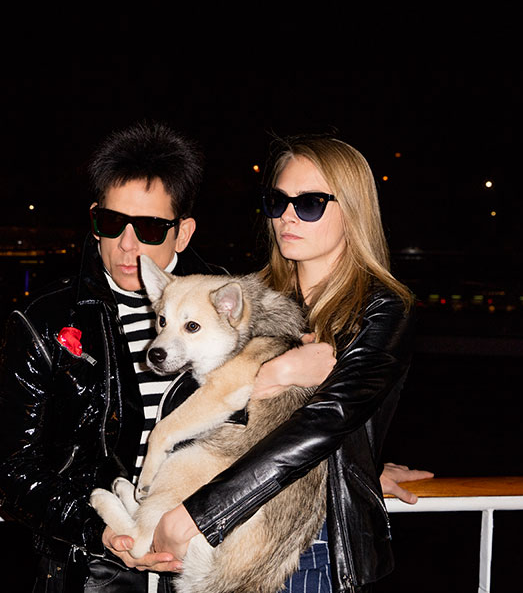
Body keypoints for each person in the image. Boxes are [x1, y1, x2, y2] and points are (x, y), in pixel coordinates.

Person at [0, 122, 428, 593]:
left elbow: (320, 418)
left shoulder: (225, 300)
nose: (128, 244)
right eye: (111, 223)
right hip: (102, 570)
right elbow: (8, 468)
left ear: (183, 231)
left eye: (151, 227)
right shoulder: (45, 321)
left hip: (253, 545)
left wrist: (349, 463)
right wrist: (99, 531)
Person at [133, 134, 427, 592]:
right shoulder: (253, 298)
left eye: (309, 203)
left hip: (300, 547)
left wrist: (201, 515)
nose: (287, 216)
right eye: (278, 200)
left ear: (352, 210)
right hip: (215, 527)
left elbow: (325, 422)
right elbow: (219, 407)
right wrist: (275, 375)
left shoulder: (382, 308)